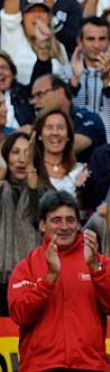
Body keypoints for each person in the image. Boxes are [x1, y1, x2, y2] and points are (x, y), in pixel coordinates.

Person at [9, 190, 110, 372]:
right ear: (42, 224)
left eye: (71, 220)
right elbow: (20, 315)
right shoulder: (25, 266)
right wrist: (49, 279)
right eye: (56, 220)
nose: (64, 226)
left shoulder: (97, 260)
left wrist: (96, 269)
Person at [60, 16, 110, 142]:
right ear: (80, 41)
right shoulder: (65, 72)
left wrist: (107, 81)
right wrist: (75, 80)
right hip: (76, 145)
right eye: (90, 39)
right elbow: (60, 111)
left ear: (109, 41)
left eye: (102, 39)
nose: (96, 45)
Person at [0, 132, 44, 314]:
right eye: (15, 152)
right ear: (6, 157)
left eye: (27, 153)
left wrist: (33, 185)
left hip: (31, 280)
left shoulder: (44, 192)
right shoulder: (2, 188)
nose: (21, 159)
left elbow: (39, 217)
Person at [27, 74, 106, 165]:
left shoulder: (89, 119)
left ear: (60, 92)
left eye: (39, 95)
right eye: (32, 97)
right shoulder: (38, 123)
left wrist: (30, 133)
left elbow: (63, 149)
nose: (34, 102)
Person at [31, 108, 86, 196]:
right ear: (39, 135)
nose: (55, 133)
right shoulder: (32, 169)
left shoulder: (79, 170)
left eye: (61, 128)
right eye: (49, 127)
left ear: (68, 136)